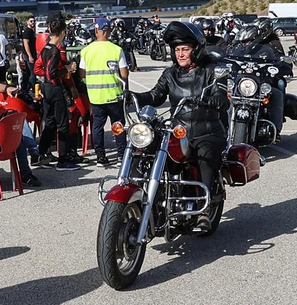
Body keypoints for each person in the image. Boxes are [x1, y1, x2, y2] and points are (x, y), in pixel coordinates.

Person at [131, 22, 227, 202]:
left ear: (196, 50)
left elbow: (223, 100)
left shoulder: (211, 71)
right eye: (176, 50)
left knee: (204, 154)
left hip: (207, 132)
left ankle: (206, 205)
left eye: (185, 49)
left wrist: (209, 100)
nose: (180, 54)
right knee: (150, 150)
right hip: (177, 132)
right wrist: (133, 97)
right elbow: (155, 96)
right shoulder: (170, 73)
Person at [79, 18, 128, 167]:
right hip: (114, 95)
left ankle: (101, 157)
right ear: (110, 31)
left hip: (96, 97)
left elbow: (81, 74)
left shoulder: (86, 51)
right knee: (118, 125)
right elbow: (124, 74)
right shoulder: (116, 49)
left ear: (96, 31)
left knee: (98, 127)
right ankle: (121, 156)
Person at [34, 13, 80, 170]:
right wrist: (66, 69)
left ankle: (40, 154)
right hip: (54, 87)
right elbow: (52, 73)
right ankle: (63, 160)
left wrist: (51, 72)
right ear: (62, 32)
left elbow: (37, 68)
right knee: (62, 124)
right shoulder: (55, 50)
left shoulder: (45, 47)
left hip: (46, 88)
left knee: (50, 123)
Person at [227, 19, 289, 135]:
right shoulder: (237, 49)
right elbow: (229, 58)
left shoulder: (270, 46)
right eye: (244, 42)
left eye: (248, 41)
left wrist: (280, 66)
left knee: (278, 92)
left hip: (263, 81)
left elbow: (279, 59)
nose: (246, 44)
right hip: (245, 81)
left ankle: (276, 127)